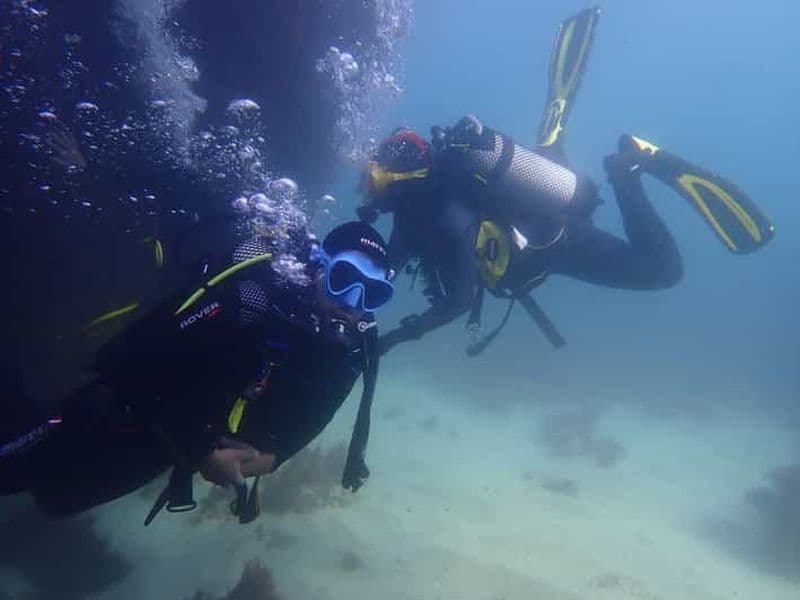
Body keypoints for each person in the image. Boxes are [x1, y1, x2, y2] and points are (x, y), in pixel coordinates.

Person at [359, 8, 774, 357]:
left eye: (370, 182)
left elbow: (461, 300)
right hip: (530, 210)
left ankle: (627, 171)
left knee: (663, 272)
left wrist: (392, 340)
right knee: (554, 174)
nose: (368, 191)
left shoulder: (440, 214)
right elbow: (387, 268)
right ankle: (550, 143)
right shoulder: (417, 212)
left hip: (555, 241)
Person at [0, 221, 395, 524]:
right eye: (344, 280)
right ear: (317, 267)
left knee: (57, 501)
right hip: (118, 411)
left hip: (161, 453)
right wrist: (203, 450)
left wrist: (268, 460)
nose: (353, 303)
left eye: (372, 294)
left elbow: (315, 417)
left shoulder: (352, 346)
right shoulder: (252, 298)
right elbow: (142, 359)